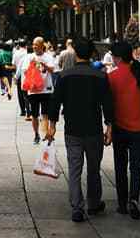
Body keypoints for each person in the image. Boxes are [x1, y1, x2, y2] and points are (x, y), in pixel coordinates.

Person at [47, 37, 114, 222]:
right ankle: (93, 203)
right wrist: (109, 126)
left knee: (74, 169)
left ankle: (77, 206)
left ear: (75, 53)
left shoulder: (64, 76)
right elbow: (107, 103)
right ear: (92, 53)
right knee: (93, 168)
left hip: (72, 129)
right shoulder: (100, 76)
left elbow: (55, 102)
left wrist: (52, 125)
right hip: (93, 129)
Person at [108, 41, 140, 219]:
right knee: (137, 167)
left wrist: (109, 125)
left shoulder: (112, 77)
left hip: (120, 128)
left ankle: (122, 203)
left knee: (120, 166)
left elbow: (109, 105)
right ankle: (134, 199)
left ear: (118, 57)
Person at [17, 36, 57, 144]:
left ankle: (45, 135)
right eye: (33, 44)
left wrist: (44, 65)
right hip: (33, 90)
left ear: (42, 46)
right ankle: (36, 134)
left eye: (36, 45)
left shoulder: (48, 57)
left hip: (46, 89)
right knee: (34, 114)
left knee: (45, 114)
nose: (34, 47)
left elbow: (53, 70)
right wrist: (32, 65)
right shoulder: (29, 57)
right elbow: (25, 72)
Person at [12, 40, 30, 118]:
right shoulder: (27, 53)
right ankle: (30, 110)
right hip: (31, 76)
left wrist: (15, 77)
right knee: (29, 94)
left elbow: (15, 65)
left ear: (19, 45)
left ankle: (23, 110)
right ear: (26, 45)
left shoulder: (16, 53)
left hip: (21, 76)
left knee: (21, 94)